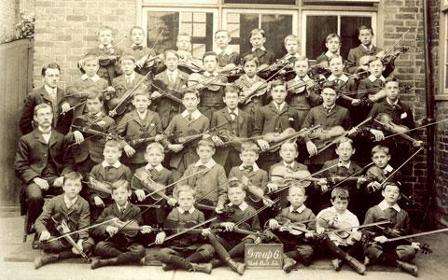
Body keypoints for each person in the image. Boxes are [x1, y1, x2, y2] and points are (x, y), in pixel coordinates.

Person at [15, 103, 74, 248]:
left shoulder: (61, 138)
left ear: (52, 116)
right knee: (35, 197)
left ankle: (63, 232)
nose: (46, 117)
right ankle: (37, 231)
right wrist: (36, 179)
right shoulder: (26, 139)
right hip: (34, 180)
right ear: (35, 118)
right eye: (41, 115)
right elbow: (20, 165)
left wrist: (63, 177)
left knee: (71, 194)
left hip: (56, 178)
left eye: (48, 114)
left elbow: (69, 163)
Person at [34, 172, 95, 269]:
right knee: (48, 242)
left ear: (80, 188)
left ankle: (53, 257)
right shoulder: (54, 201)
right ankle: (71, 253)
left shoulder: (84, 203)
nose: (73, 188)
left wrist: (79, 242)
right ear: (63, 187)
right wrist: (43, 231)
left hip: (75, 238)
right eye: (69, 185)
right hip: (58, 238)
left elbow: (84, 225)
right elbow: (40, 221)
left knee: (89, 243)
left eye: (76, 185)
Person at [152, 185, 214, 274]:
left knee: (209, 249)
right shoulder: (173, 212)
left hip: (193, 249)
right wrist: (162, 233)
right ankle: (197, 267)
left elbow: (201, 236)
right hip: (176, 248)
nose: (185, 202)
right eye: (182, 199)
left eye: (189, 199)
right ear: (178, 200)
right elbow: (168, 230)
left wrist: (203, 234)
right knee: (162, 253)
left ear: (194, 200)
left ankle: (175, 264)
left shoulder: (199, 214)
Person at [90, 180, 152, 269]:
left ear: (129, 193)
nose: (119, 196)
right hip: (113, 243)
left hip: (130, 244)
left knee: (140, 250)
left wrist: (142, 231)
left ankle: (106, 262)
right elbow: (94, 228)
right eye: (116, 194)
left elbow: (138, 231)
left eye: (122, 193)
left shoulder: (136, 210)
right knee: (99, 247)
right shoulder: (108, 210)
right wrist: (106, 228)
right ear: (112, 196)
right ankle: (132, 259)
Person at [362, 182, 420, 276]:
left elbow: (408, 234)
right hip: (378, 244)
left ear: (399, 196)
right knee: (370, 248)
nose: (392, 194)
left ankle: (379, 258)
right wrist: (377, 238)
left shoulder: (404, 214)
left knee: (411, 251)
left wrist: (411, 242)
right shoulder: (373, 211)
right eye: (388, 191)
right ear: (383, 193)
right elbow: (365, 231)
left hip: (395, 246)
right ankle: (398, 263)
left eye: (395, 192)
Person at [206, 180, 261, 275]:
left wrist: (257, 237)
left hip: (241, 245)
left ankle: (221, 261)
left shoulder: (251, 211)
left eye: (238, 193)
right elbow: (212, 226)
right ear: (228, 196)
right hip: (225, 243)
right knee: (210, 234)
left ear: (244, 194)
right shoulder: (224, 208)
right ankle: (233, 263)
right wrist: (223, 224)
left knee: (251, 239)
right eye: (231, 194)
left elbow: (256, 230)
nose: (235, 196)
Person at [301, 81, 352, 171]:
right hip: (315, 153)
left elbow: (347, 132)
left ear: (337, 96)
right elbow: (304, 129)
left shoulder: (344, 111)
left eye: (332, 95)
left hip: (334, 155)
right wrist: (308, 142)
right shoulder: (313, 110)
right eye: (326, 94)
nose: (328, 97)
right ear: (321, 94)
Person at [316, 188, 366, 275]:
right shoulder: (325, 212)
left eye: (344, 203)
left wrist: (354, 235)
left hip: (345, 243)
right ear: (332, 202)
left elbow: (354, 232)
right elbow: (318, 224)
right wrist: (320, 228)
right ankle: (349, 259)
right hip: (331, 244)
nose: (341, 206)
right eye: (338, 203)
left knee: (359, 236)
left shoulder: (352, 216)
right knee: (324, 236)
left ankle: (339, 259)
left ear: (348, 202)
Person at [267, 185, 317, 272]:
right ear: (288, 198)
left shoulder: (309, 213)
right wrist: (272, 221)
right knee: (267, 233)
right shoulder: (284, 211)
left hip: (299, 244)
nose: (296, 198)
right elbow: (278, 222)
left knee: (308, 251)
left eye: (299, 195)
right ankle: (287, 259)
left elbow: (313, 231)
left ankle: (282, 256)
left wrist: (309, 235)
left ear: (304, 198)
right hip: (285, 242)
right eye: (293, 195)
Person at [253, 80, 300, 171]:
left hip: (286, 156)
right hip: (268, 154)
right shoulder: (262, 110)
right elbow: (256, 132)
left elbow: (295, 133)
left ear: (286, 93)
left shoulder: (293, 111)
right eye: (276, 91)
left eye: (282, 91)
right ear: (271, 93)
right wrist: (259, 141)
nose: (279, 94)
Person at [315, 137, 367, 218]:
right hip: (329, 202)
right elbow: (316, 179)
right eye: (342, 149)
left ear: (353, 151)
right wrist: (320, 183)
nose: (345, 152)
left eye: (348, 149)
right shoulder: (328, 165)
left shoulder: (358, 169)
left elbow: (359, 195)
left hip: (348, 205)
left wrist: (358, 185)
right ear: (336, 151)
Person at [69, 92, 115, 180]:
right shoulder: (80, 119)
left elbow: (112, 143)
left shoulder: (109, 121)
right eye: (89, 104)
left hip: (99, 159)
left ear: (101, 104)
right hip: (81, 159)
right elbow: (68, 138)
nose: (92, 106)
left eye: (95, 103)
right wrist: (74, 133)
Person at [164, 89, 209, 177]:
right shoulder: (176, 118)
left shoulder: (204, 120)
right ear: (183, 101)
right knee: (177, 186)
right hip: (177, 160)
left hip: (196, 160)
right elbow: (164, 136)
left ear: (198, 101)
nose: (190, 102)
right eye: (187, 99)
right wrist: (170, 146)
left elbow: (206, 143)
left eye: (193, 99)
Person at [115, 90, 164, 171]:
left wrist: (159, 137)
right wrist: (125, 146)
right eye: (138, 100)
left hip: (150, 158)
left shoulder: (155, 115)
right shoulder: (128, 116)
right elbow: (117, 135)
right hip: (132, 157)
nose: (141, 103)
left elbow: (160, 133)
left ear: (148, 102)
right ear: (133, 102)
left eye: (144, 100)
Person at [19, 63, 72, 135]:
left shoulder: (64, 95)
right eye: (51, 76)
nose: (54, 79)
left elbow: (68, 120)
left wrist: (61, 138)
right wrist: (34, 140)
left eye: (57, 75)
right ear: (43, 78)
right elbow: (24, 123)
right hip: (40, 140)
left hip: (59, 140)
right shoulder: (34, 95)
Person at [210, 85, 253, 174]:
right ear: (224, 99)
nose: (232, 100)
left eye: (234, 97)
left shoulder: (246, 116)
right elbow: (211, 133)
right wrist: (214, 138)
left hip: (240, 155)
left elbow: (249, 135)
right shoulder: (216, 115)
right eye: (229, 97)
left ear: (238, 99)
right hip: (222, 155)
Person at [131, 143, 175, 229]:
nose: (154, 157)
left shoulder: (168, 174)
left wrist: (170, 199)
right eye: (151, 155)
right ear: (146, 156)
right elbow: (132, 190)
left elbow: (170, 192)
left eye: (157, 155)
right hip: (142, 209)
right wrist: (137, 190)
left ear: (162, 157)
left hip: (160, 211)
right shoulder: (139, 171)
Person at [179, 139, 228, 214]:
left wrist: (220, 204)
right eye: (201, 151)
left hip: (210, 207)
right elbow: (181, 185)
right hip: (191, 206)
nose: (204, 154)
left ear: (213, 151)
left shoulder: (219, 169)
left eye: (208, 151)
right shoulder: (191, 168)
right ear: (197, 151)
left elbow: (223, 192)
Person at [88, 140, 132, 220]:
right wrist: (95, 197)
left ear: (119, 154)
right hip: (100, 207)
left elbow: (129, 190)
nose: (110, 155)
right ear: (103, 153)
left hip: (118, 207)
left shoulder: (125, 170)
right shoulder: (96, 169)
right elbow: (90, 189)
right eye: (107, 151)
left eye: (113, 152)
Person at [228, 142, 269, 224]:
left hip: (253, 206)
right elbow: (230, 188)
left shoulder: (262, 173)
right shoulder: (234, 170)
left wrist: (247, 184)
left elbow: (260, 194)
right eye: (245, 155)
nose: (248, 158)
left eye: (251, 155)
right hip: (235, 205)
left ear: (256, 156)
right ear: (241, 156)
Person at [152, 49, 189, 129]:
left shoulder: (186, 77)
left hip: (180, 112)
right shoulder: (157, 77)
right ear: (164, 61)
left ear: (178, 61)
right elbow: (153, 100)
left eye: (174, 59)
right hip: (162, 114)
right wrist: (154, 96)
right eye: (169, 59)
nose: (171, 62)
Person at [66, 54, 109, 118]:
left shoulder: (103, 82)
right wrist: (81, 94)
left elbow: (105, 99)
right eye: (88, 65)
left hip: (98, 113)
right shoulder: (77, 82)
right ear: (83, 67)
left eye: (94, 65)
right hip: (81, 113)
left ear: (98, 67)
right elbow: (70, 92)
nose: (91, 68)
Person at [108, 55, 151, 119]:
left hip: (138, 114)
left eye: (129, 64)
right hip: (121, 114)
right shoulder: (115, 80)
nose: (126, 66)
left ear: (134, 65)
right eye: (124, 64)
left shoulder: (143, 79)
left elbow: (147, 96)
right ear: (121, 66)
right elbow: (112, 99)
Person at [188, 51, 228, 121]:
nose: (209, 64)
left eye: (212, 61)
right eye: (206, 62)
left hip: (220, 111)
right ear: (203, 64)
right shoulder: (198, 78)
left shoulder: (223, 78)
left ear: (217, 63)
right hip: (203, 112)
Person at [286, 56, 321, 128]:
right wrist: (289, 92)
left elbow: (317, 103)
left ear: (308, 68)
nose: (301, 69)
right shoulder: (288, 83)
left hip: (308, 114)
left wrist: (310, 92)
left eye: (304, 66)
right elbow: (284, 101)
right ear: (294, 68)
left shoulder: (314, 83)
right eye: (298, 66)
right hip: (291, 114)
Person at [234, 54, 267, 119]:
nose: (249, 69)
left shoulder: (263, 82)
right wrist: (239, 100)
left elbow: (266, 101)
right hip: (243, 115)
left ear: (257, 67)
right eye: (247, 66)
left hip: (259, 115)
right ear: (243, 68)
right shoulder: (237, 82)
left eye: (252, 66)